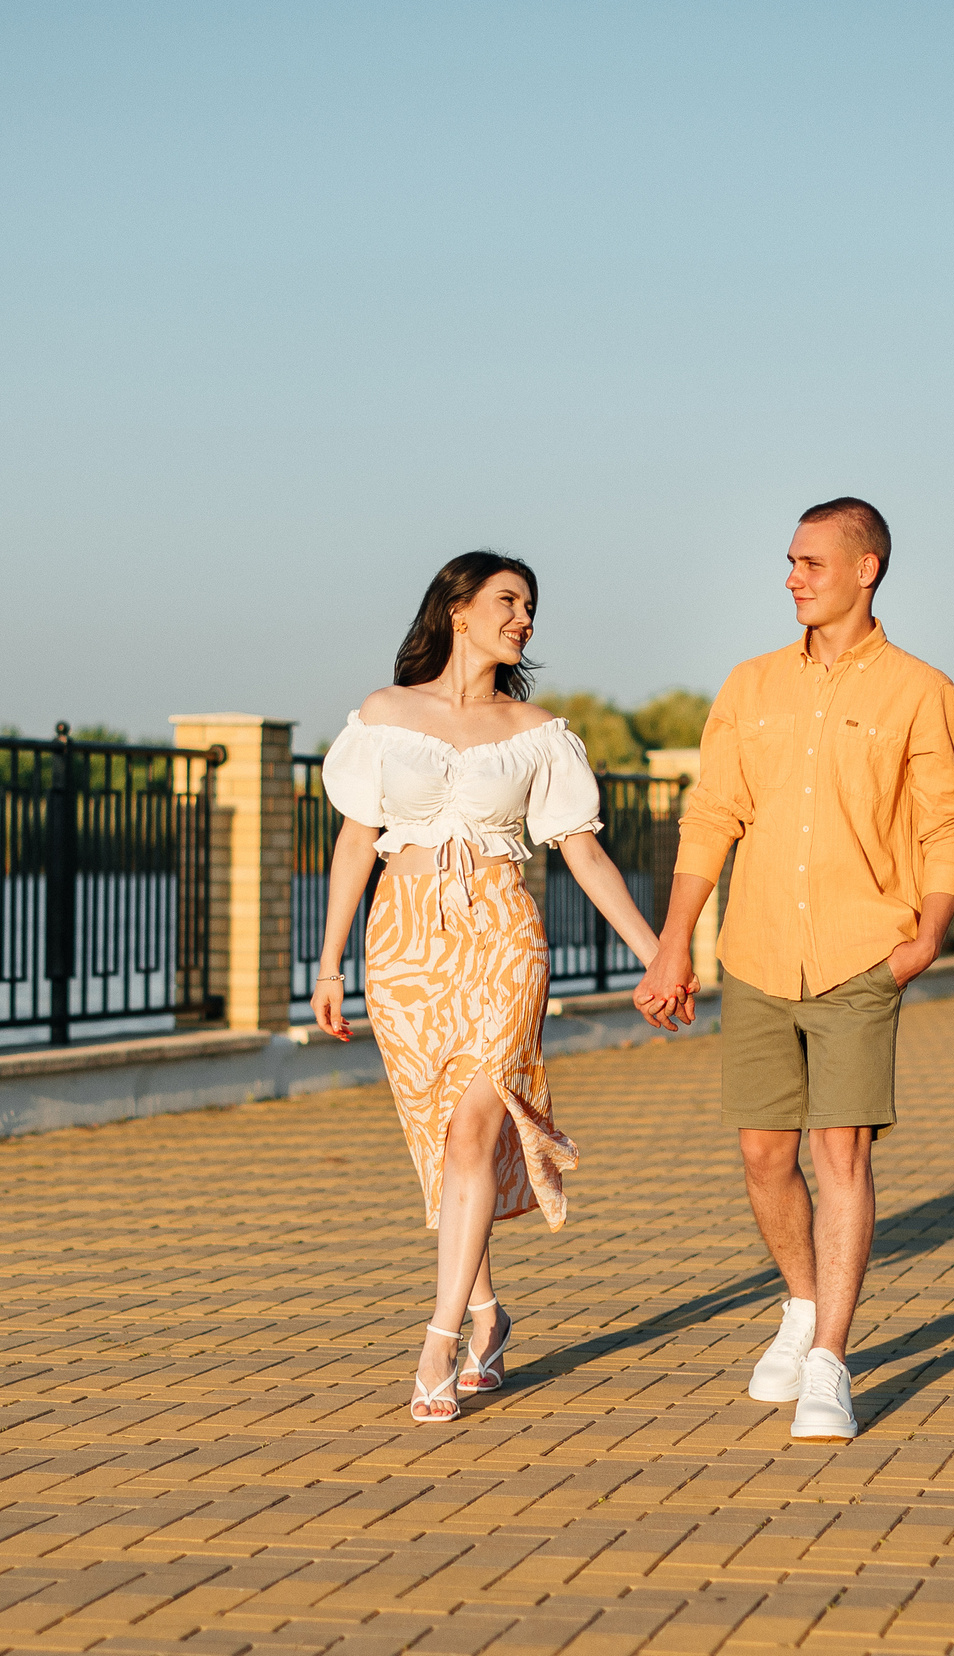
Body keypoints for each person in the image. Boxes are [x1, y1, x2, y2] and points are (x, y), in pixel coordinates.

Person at [632, 498, 954, 1441]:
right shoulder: (748, 687)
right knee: (761, 1156)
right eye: (789, 561)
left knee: (841, 1156)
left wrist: (928, 934)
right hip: (754, 955)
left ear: (866, 570)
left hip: (862, 954)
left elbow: (950, 827)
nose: (793, 578)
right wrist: (674, 942)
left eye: (812, 563)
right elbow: (712, 817)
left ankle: (829, 1359)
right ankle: (798, 1304)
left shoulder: (922, 692)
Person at [311, 551, 664, 1424]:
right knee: (444, 1138)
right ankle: (486, 1313)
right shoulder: (386, 715)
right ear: (458, 610)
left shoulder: (536, 731)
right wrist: (327, 965)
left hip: (503, 936)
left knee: (475, 1119)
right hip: (404, 943)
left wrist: (659, 954)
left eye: (531, 607)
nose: (525, 619)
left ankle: (435, 1342)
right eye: (509, 601)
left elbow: (582, 852)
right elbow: (358, 843)